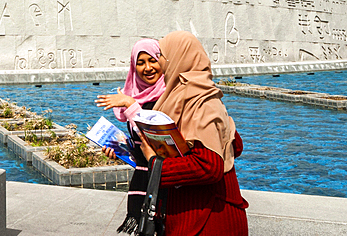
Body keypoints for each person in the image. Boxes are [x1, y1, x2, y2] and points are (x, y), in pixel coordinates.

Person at [135, 31, 248, 235]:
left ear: (179, 59)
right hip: (195, 214)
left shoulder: (201, 102)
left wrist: (155, 163)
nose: (159, 63)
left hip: (209, 220)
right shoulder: (187, 96)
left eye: (161, 56)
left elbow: (210, 165)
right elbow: (234, 145)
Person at [95, 39, 167, 234]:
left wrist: (129, 103)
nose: (147, 68)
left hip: (165, 184)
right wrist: (123, 151)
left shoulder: (169, 96)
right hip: (144, 180)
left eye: (152, 60)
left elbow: (158, 138)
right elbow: (143, 145)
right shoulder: (139, 97)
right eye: (140, 62)